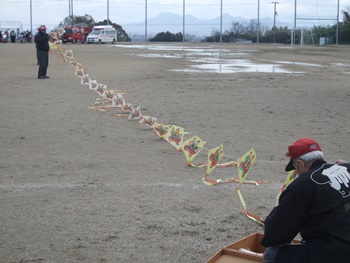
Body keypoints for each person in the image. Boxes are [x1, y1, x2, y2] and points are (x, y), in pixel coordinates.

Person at [261, 138, 350, 263]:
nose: (296, 173)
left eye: (295, 169)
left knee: (271, 254)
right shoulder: (346, 167)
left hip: (335, 252)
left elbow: (274, 236)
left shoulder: (302, 185)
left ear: (301, 164)